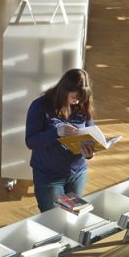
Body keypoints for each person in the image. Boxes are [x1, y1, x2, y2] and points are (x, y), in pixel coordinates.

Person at [25, 69, 97, 213]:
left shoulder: (82, 106)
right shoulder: (40, 106)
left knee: (72, 217)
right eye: (74, 97)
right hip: (49, 177)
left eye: (81, 98)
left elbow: (91, 134)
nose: (77, 102)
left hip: (77, 173)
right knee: (53, 218)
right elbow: (31, 141)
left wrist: (89, 153)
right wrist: (56, 133)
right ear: (64, 90)